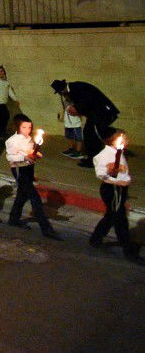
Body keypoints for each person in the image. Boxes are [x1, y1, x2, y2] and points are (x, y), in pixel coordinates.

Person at [4, 114, 60, 240]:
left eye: (29, 127)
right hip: (20, 170)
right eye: (24, 127)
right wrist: (24, 157)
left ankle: (13, 219)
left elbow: (30, 154)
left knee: (21, 197)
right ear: (17, 127)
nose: (27, 130)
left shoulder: (28, 138)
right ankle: (46, 229)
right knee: (36, 199)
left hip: (28, 169)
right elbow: (10, 157)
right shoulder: (12, 141)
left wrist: (35, 157)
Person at [89, 130, 139, 262]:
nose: (126, 141)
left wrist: (125, 182)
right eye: (122, 138)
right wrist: (113, 178)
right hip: (112, 190)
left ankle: (95, 239)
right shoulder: (104, 155)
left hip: (120, 190)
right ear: (112, 140)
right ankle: (128, 251)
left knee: (111, 216)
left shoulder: (119, 153)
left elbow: (123, 172)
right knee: (120, 219)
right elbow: (101, 174)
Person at [51, 79, 119, 168]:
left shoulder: (76, 87)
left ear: (62, 90)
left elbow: (88, 99)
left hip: (103, 112)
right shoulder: (74, 88)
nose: (62, 95)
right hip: (96, 114)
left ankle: (94, 159)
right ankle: (94, 157)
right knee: (91, 133)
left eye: (61, 93)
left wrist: (76, 108)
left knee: (92, 134)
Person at [0, 65, 17, 142]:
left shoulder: (6, 82)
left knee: (4, 117)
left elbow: (10, 92)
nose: (0, 72)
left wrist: (15, 99)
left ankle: (1, 132)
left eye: (1, 71)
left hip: (4, 103)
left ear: (4, 72)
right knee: (3, 117)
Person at [61, 95, 84, 160]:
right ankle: (71, 150)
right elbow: (65, 110)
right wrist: (62, 118)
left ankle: (78, 152)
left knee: (78, 138)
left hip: (76, 124)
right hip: (68, 123)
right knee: (69, 137)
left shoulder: (77, 101)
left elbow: (80, 112)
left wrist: (77, 113)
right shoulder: (66, 101)